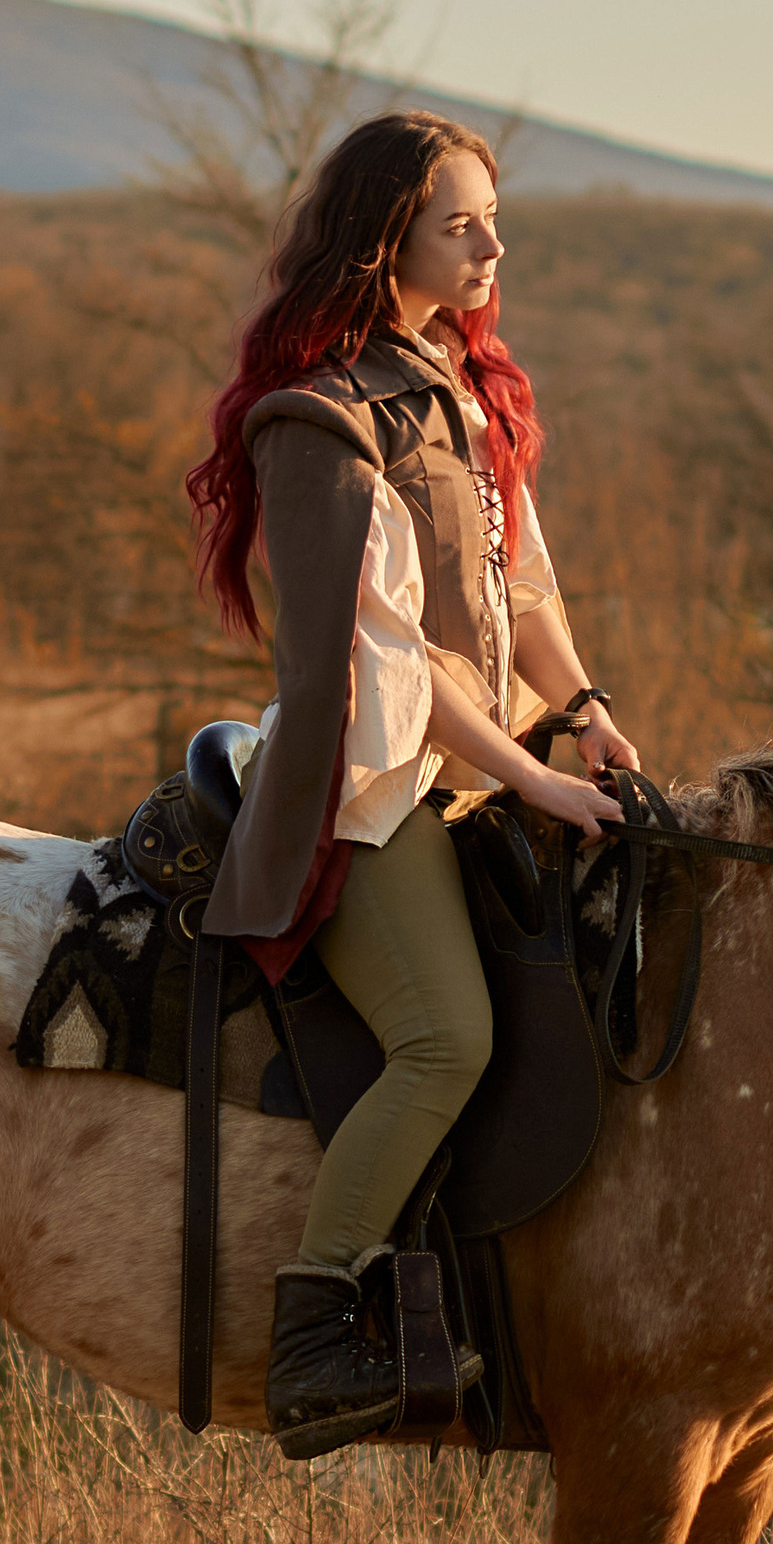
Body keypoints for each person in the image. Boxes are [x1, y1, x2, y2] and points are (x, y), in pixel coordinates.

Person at [186, 111, 636, 1457]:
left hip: (477, 774)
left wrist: (590, 710)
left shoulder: (470, 389)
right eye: (462, 223)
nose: (495, 245)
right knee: (449, 1038)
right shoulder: (317, 423)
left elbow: (523, 593)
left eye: (494, 217)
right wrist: (539, 787)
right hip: (371, 789)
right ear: (388, 242)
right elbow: (399, 668)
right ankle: (320, 1329)